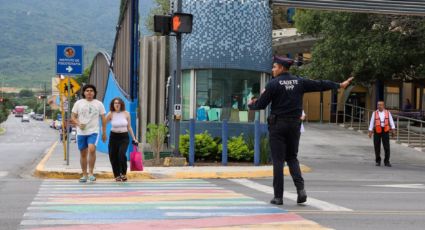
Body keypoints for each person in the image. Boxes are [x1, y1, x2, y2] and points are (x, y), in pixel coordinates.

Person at [248, 55, 353, 206]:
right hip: (294, 126)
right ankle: (301, 190)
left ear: (282, 68)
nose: (272, 69)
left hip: (278, 126)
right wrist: (339, 85)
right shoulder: (300, 81)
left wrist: (251, 104)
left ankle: (278, 197)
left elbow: (260, 105)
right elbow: (320, 84)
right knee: (292, 158)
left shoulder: (273, 84)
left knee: (278, 161)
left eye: (274, 67)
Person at [71, 84, 107, 183]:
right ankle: (84, 174)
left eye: (91, 90)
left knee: (91, 149)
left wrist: (104, 132)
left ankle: (91, 173)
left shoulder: (99, 104)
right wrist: (78, 123)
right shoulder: (78, 103)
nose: (89, 92)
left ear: (94, 93)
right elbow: (73, 117)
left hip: (93, 131)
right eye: (87, 91)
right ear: (84, 93)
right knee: (83, 153)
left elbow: (103, 119)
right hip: (81, 132)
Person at [106, 97, 138, 182]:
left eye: (118, 103)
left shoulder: (126, 113)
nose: (117, 104)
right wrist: (103, 134)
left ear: (121, 104)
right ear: (113, 105)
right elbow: (104, 123)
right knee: (113, 156)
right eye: (115, 103)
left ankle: (123, 173)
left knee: (121, 154)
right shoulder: (110, 114)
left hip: (124, 137)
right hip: (113, 137)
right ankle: (117, 175)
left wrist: (134, 138)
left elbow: (129, 126)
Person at [368, 101, 396, 167]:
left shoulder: (388, 112)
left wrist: (393, 129)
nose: (379, 106)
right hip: (377, 130)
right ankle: (378, 161)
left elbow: (391, 121)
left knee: (387, 147)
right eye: (378, 105)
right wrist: (370, 131)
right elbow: (372, 122)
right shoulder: (374, 113)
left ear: (383, 106)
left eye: (380, 105)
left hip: (385, 131)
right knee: (377, 146)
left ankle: (387, 161)